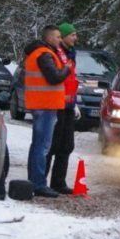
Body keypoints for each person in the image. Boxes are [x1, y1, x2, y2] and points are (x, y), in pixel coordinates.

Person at [24, 25, 71, 198]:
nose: (60, 40)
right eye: (58, 37)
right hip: (45, 105)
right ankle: (38, 184)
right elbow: (54, 77)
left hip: (42, 104)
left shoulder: (40, 53)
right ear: (50, 38)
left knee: (38, 145)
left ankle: (34, 181)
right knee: (42, 146)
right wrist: (66, 70)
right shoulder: (44, 54)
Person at [46, 22, 81, 194]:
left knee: (66, 145)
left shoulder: (71, 54)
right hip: (56, 105)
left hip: (68, 105)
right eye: (72, 35)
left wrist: (75, 104)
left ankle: (58, 182)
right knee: (52, 145)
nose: (76, 38)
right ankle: (41, 181)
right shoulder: (56, 53)